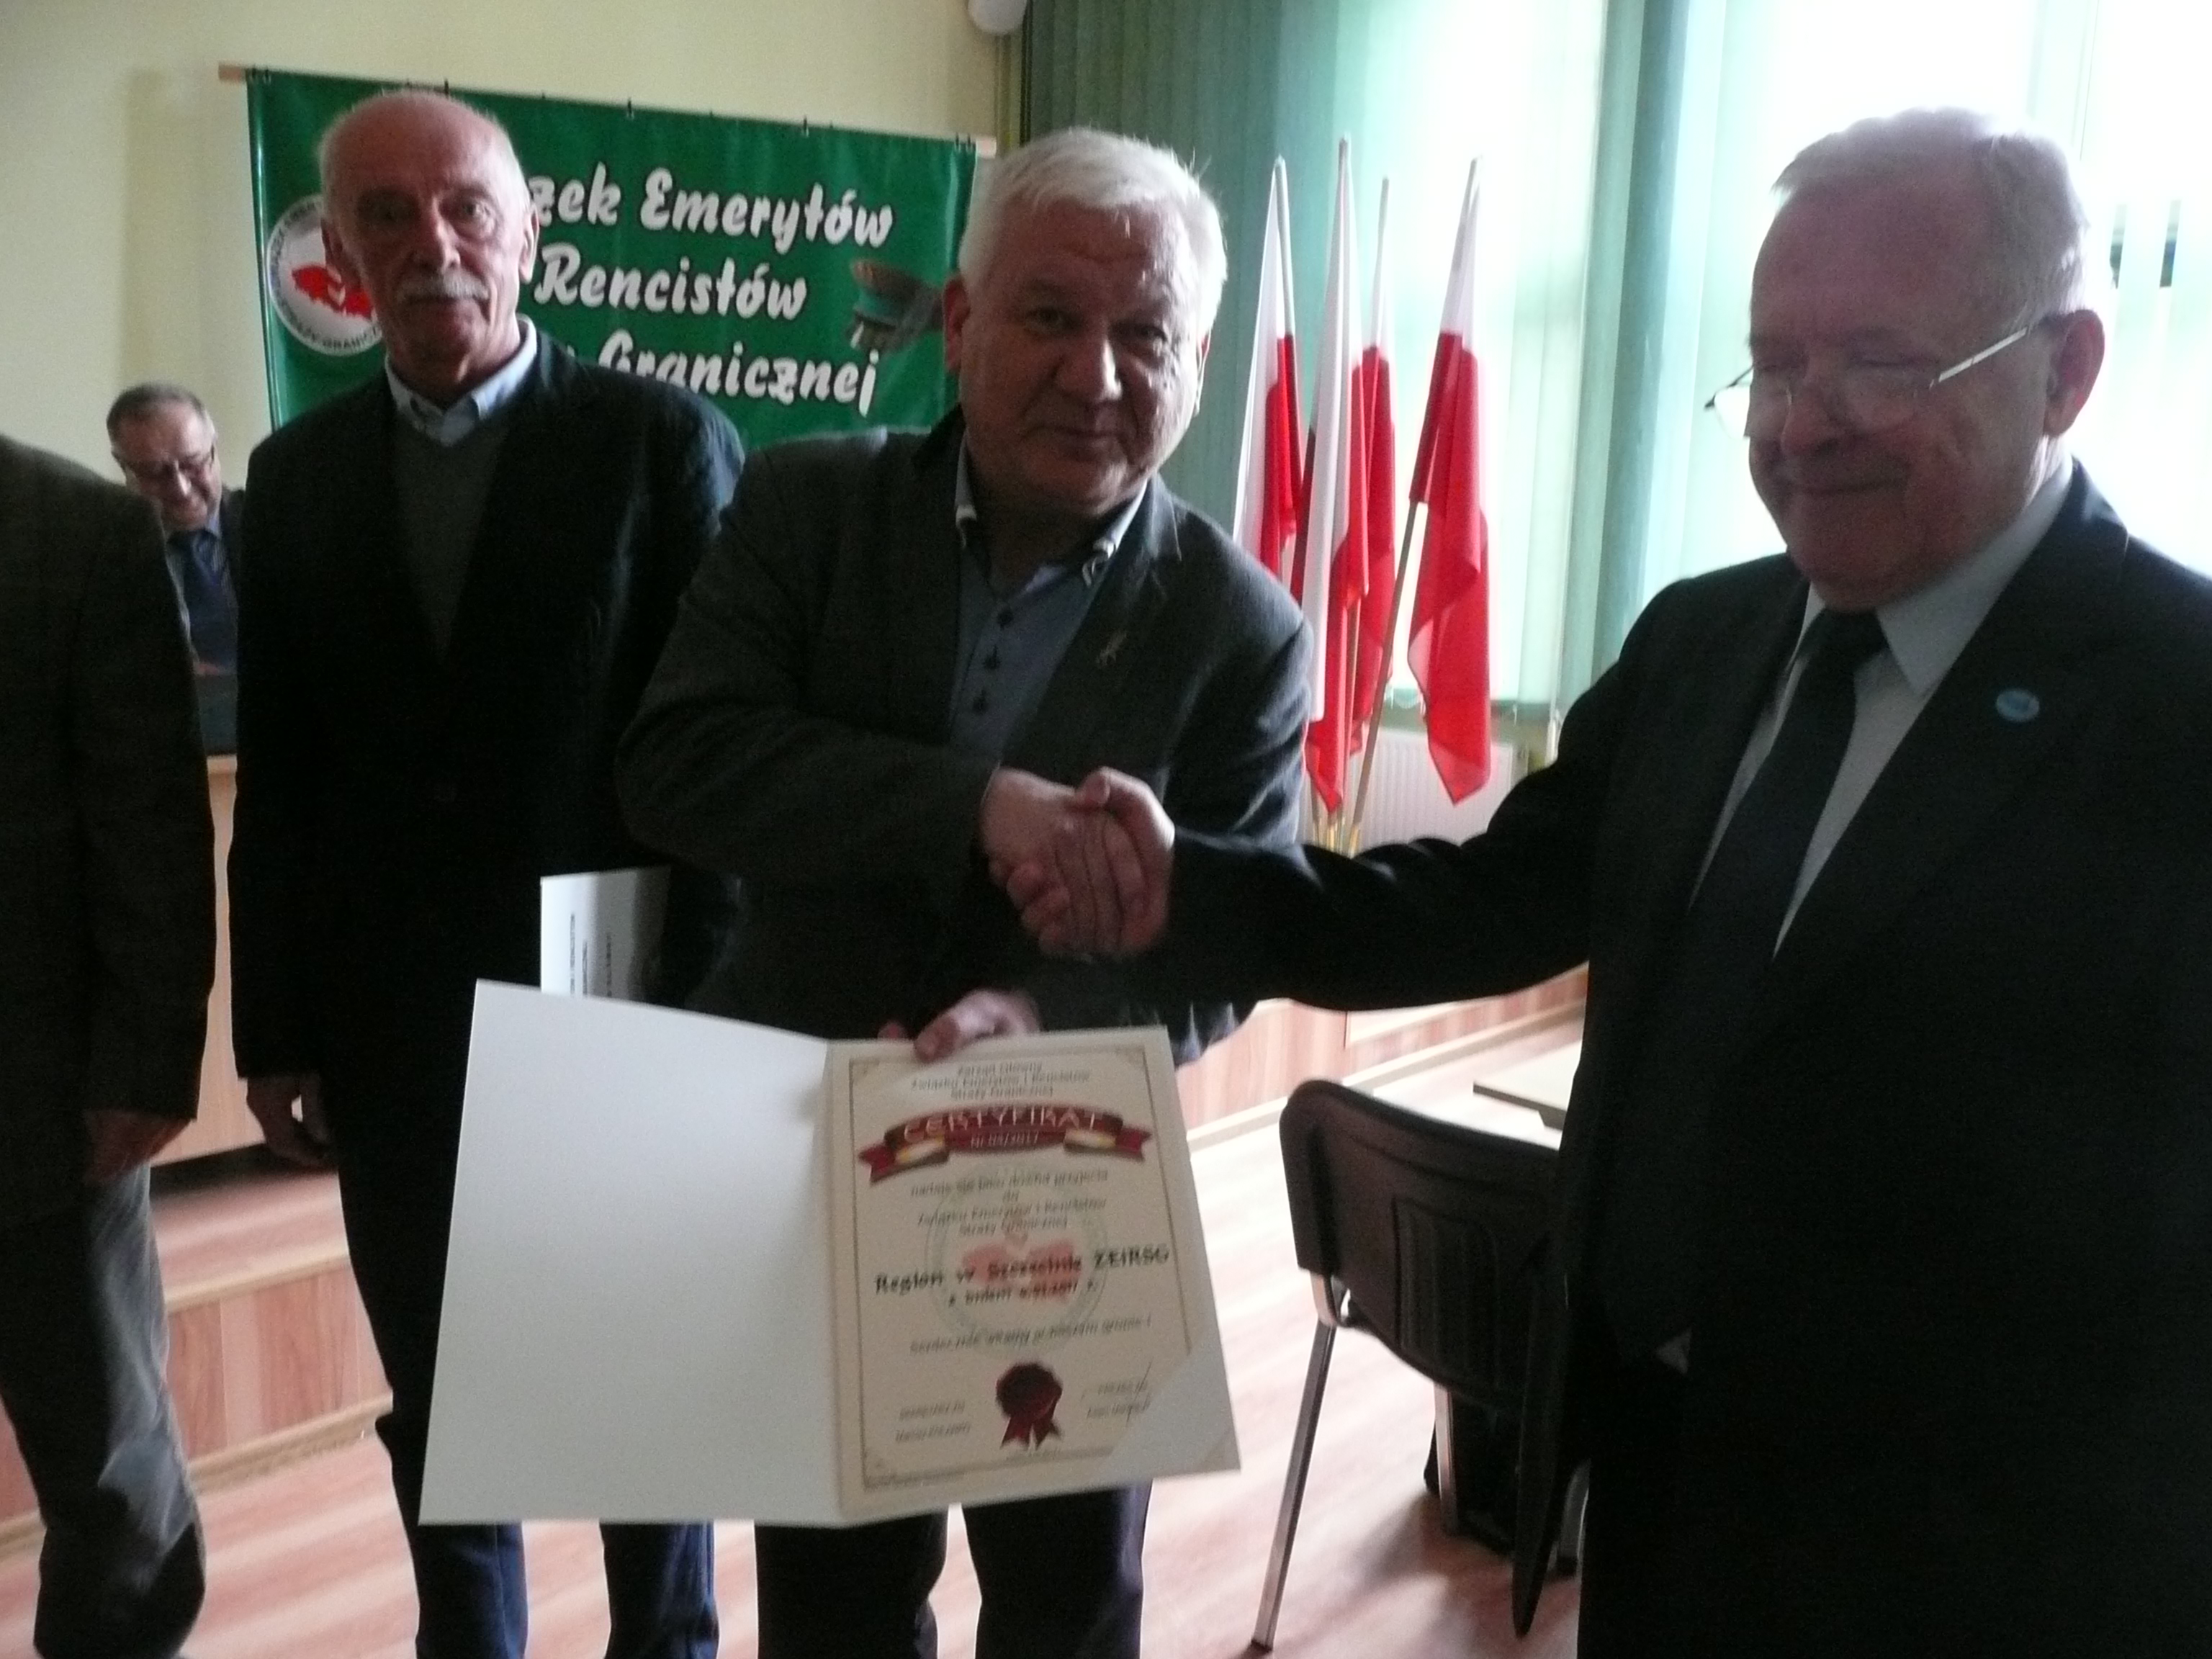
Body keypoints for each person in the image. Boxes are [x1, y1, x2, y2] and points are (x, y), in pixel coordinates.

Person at [1015, 109, 2212, 1655]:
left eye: (1877, 363)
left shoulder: (2177, 707)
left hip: (1988, 1563)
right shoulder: (1705, 642)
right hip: (1651, 1483)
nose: (1804, 424)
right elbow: (1484, 904)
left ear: (2063, 370)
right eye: (1772, 366)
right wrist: (1191, 892)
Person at [618, 125, 1308, 1659]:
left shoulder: (1242, 627)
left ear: (1200, 365)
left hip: (1063, 1188)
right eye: (1052, 317)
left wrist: (1035, 1018)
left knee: (1068, 1605)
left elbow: (1224, 950)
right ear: (959, 320)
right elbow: (679, 763)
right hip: (805, 1145)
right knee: (833, 1599)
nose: (1098, 376)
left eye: (1149, 336)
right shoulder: (807, 506)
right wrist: (977, 808)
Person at [228, 89, 742, 1659]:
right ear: (338, 253)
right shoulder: (294, 477)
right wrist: (275, 1031)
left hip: (622, 1011)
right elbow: (284, 776)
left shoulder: (661, 445)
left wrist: (706, 1019)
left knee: (640, 1389)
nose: (432, 243)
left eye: (465, 207)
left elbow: (719, 759)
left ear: (529, 232)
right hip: (393, 1030)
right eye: (385, 214)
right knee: (443, 1394)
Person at [0, 432, 215, 1659]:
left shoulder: (75, 531)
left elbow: (152, 824)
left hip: (39, 1107)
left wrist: (144, 1065)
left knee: (109, 1470)